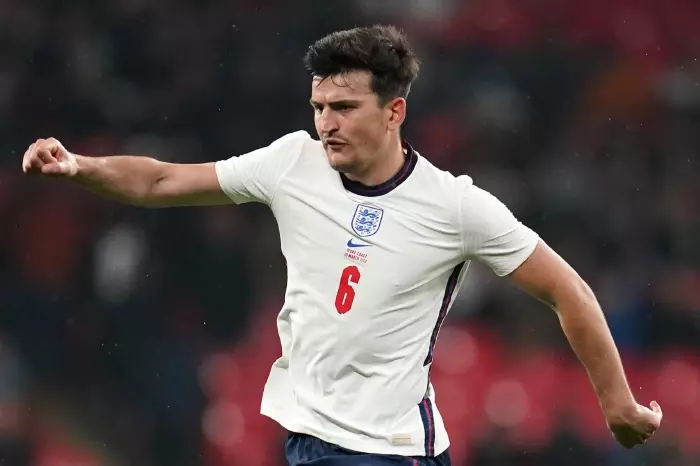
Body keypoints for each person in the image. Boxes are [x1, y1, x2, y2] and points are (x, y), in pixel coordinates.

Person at [22, 25, 662, 466]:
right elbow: (162, 180)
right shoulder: (290, 163)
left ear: (394, 112)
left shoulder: (454, 205)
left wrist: (618, 403)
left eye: (345, 107)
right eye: (319, 106)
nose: (326, 123)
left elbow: (567, 290)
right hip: (308, 440)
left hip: (390, 450)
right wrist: (79, 166)